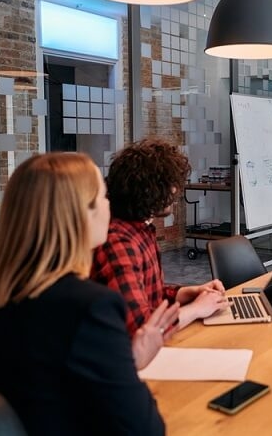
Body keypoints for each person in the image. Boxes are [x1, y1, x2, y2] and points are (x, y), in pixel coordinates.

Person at [0, 153, 177, 435]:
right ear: (81, 215)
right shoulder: (90, 307)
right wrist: (130, 368)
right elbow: (145, 429)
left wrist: (122, 362)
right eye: (104, 197)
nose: (110, 207)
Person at [92, 139, 228, 337]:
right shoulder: (119, 242)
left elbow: (147, 295)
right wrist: (196, 310)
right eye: (171, 184)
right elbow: (142, 331)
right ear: (150, 189)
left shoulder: (140, 230)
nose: (176, 191)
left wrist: (187, 293)